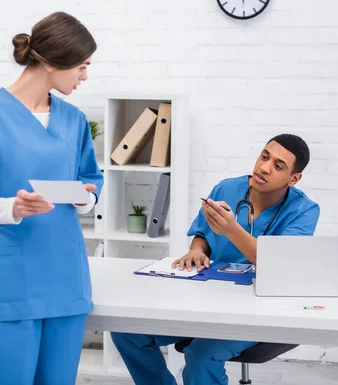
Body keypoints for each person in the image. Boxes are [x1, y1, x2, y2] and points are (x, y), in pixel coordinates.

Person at [0, 12, 103, 385]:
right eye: (82, 66)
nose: (84, 76)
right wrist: (11, 207)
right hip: (6, 283)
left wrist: (82, 198)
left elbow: (91, 184)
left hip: (64, 279)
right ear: (49, 61)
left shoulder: (74, 120)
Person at [110, 133, 320, 385]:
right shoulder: (226, 188)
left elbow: (278, 264)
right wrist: (197, 250)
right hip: (208, 299)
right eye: (264, 156)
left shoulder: (304, 211)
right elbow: (202, 233)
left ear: (294, 178)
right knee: (127, 332)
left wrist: (232, 228)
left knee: (201, 356)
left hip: (258, 309)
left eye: (278, 166)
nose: (264, 167)